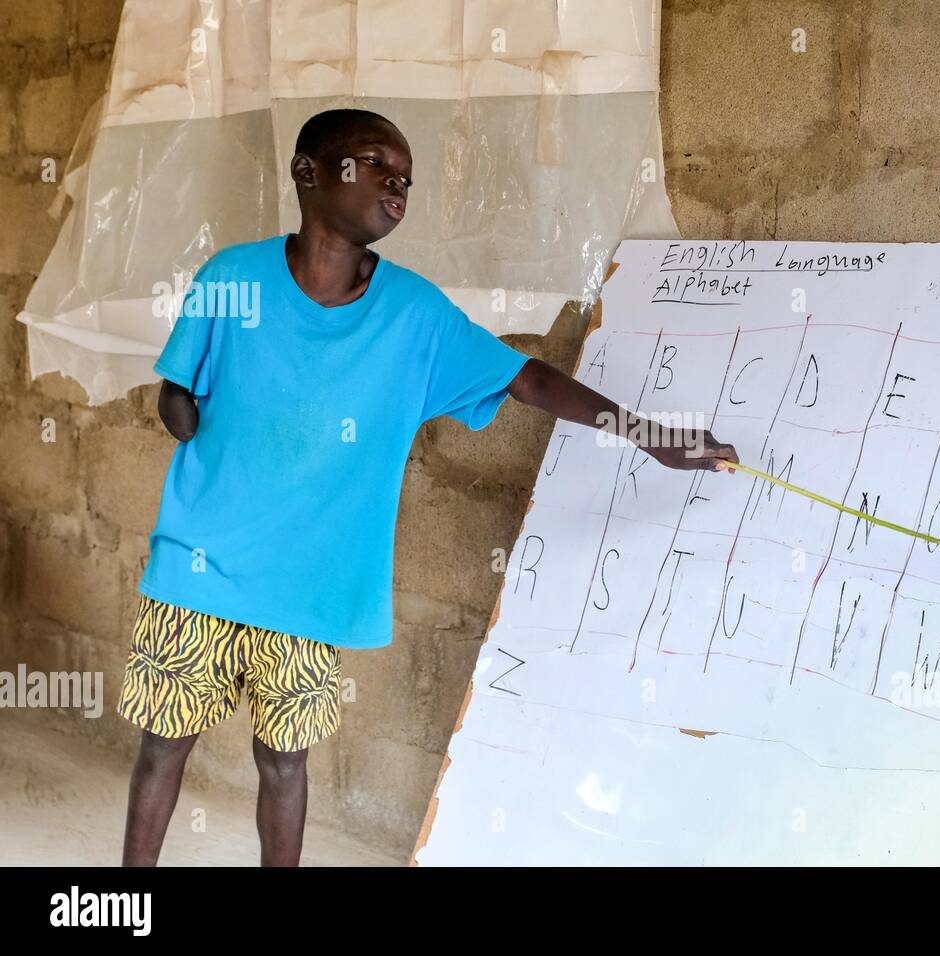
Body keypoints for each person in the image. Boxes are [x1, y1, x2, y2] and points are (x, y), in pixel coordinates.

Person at [117, 108, 737, 866]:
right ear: (308, 171)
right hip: (198, 568)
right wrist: (182, 407)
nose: (396, 182)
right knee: (163, 745)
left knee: (284, 764)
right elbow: (177, 392)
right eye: (374, 163)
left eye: (405, 176)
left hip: (312, 589)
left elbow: (529, 380)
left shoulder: (414, 316)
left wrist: (655, 436)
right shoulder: (231, 278)